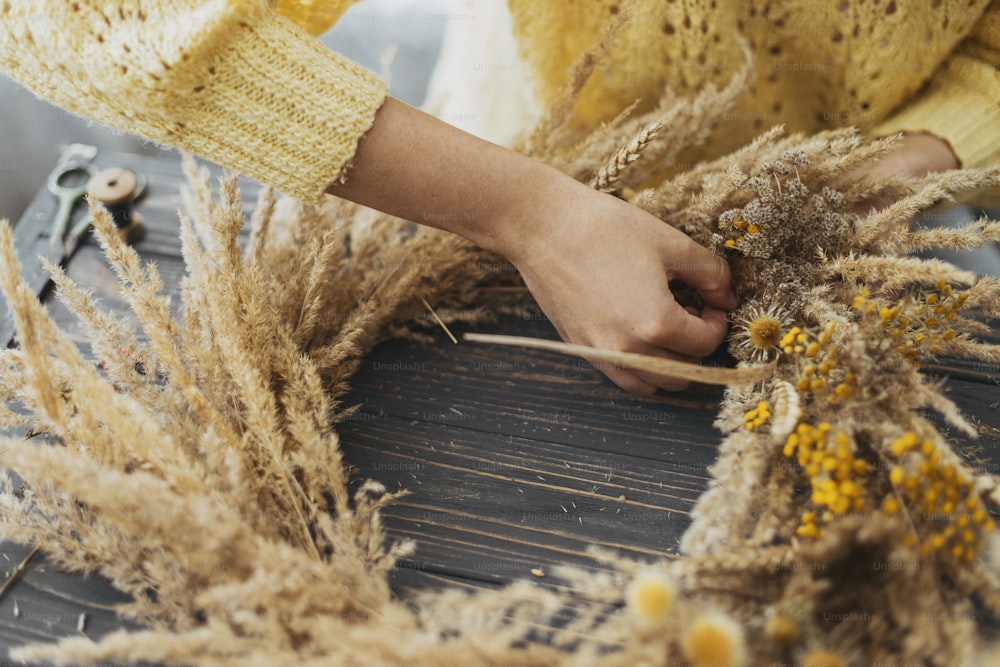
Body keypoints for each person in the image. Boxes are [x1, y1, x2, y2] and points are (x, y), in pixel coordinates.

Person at [1, 1, 996, 395]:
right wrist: (529, 211)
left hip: (885, 234)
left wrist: (901, 168)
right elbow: (84, 17)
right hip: (487, 190)